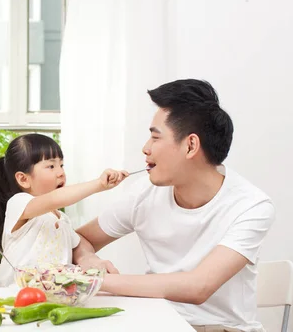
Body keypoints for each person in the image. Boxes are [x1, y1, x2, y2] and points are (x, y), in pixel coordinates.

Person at [74, 79, 275, 332]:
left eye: (155, 138)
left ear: (190, 145)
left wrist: (98, 281)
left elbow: (198, 287)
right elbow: (80, 238)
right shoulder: (144, 194)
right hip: (157, 323)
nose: (145, 149)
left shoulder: (252, 206)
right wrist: (88, 258)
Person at [0, 133, 129, 286]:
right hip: (15, 295)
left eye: (61, 165)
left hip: (53, 297)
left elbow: (79, 245)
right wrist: (99, 184)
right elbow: (56, 198)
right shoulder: (18, 203)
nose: (61, 172)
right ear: (23, 179)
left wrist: (92, 261)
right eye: (51, 166)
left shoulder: (62, 220)